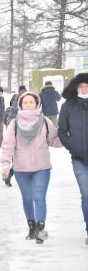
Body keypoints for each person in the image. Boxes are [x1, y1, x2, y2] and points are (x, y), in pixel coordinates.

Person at [0, 92, 62, 244]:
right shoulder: (14, 124)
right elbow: (8, 145)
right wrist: (5, 164)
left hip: (42, 167)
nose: (28, 104)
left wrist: (68, 136)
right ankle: (32, 227)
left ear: (37, 104)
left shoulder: (45, 121)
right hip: (21, 168)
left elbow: (54, 140)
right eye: (25, 102)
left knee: (39, 197)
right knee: (27, 198)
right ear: (20, 105)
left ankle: (41, 229)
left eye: (31, 102)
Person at [58, 73, 88, 245]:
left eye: (87, 86)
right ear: (76, 89)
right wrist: (72, 146)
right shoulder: (68, 106)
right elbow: (62, 131)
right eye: (81, 86)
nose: (84, 88)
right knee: (86, 194)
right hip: (79, 159)